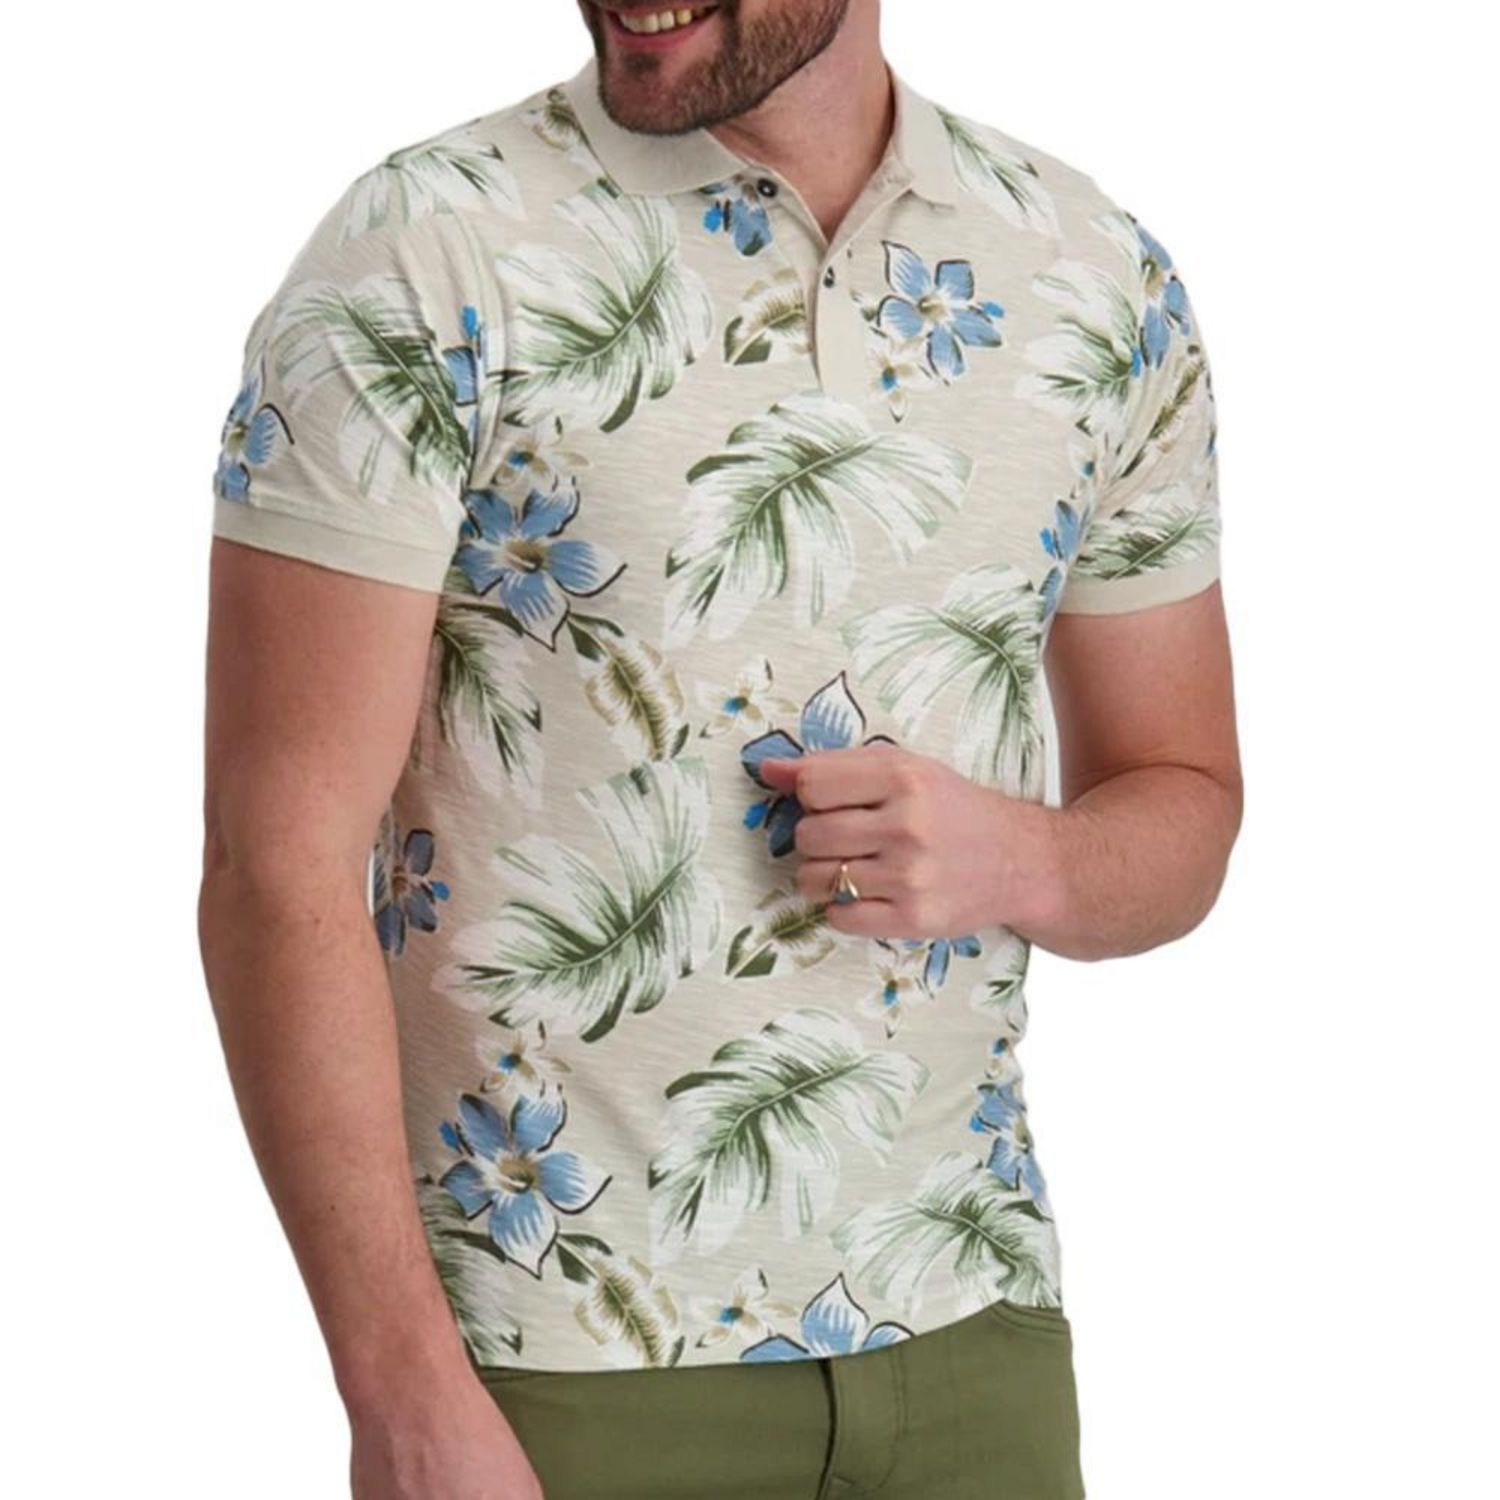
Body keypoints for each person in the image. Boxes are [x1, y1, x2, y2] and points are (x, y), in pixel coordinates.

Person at [197, 1, 1242, 1495]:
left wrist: (1029, 859)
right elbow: (274, 864)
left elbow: (1188, 801)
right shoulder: (425, 249)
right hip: (552, 1372)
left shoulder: (1092, 273)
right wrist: (404, 1398)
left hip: (976, 1340)